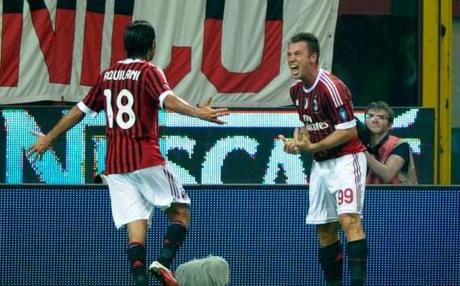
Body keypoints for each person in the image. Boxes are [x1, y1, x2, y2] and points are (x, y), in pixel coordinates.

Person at [27, 20, 229, 286]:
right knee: (180, 211)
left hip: (116, 165)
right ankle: (164, 263)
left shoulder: (107, 75)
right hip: (145, 158)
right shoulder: (149, 72)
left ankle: (140, 280)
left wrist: (48, 138)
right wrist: (197, 112)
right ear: (152, 47)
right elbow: (167, 100)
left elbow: (78, 111)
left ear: (125, 46)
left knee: (137, 227)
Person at [279, 32, 368, 286]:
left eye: (297, 54)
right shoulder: (296, 92)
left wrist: (313, 145)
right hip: (321, 164)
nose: (292, 60)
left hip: (346, 159)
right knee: (325, 229)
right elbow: (312, 130)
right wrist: (296, 144)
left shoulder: (331, 86)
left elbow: (349, 130)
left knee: (349, 220)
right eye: (289, 55)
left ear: (313, 57)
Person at [363, 101, 418, 184]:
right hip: (368, 195)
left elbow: (387, 175)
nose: (374, 119)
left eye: (381, 117)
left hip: (398, 196)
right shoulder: (364, 145)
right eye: (370, 116)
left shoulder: (400, 145)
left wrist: (361, 151)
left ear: (390, 125)